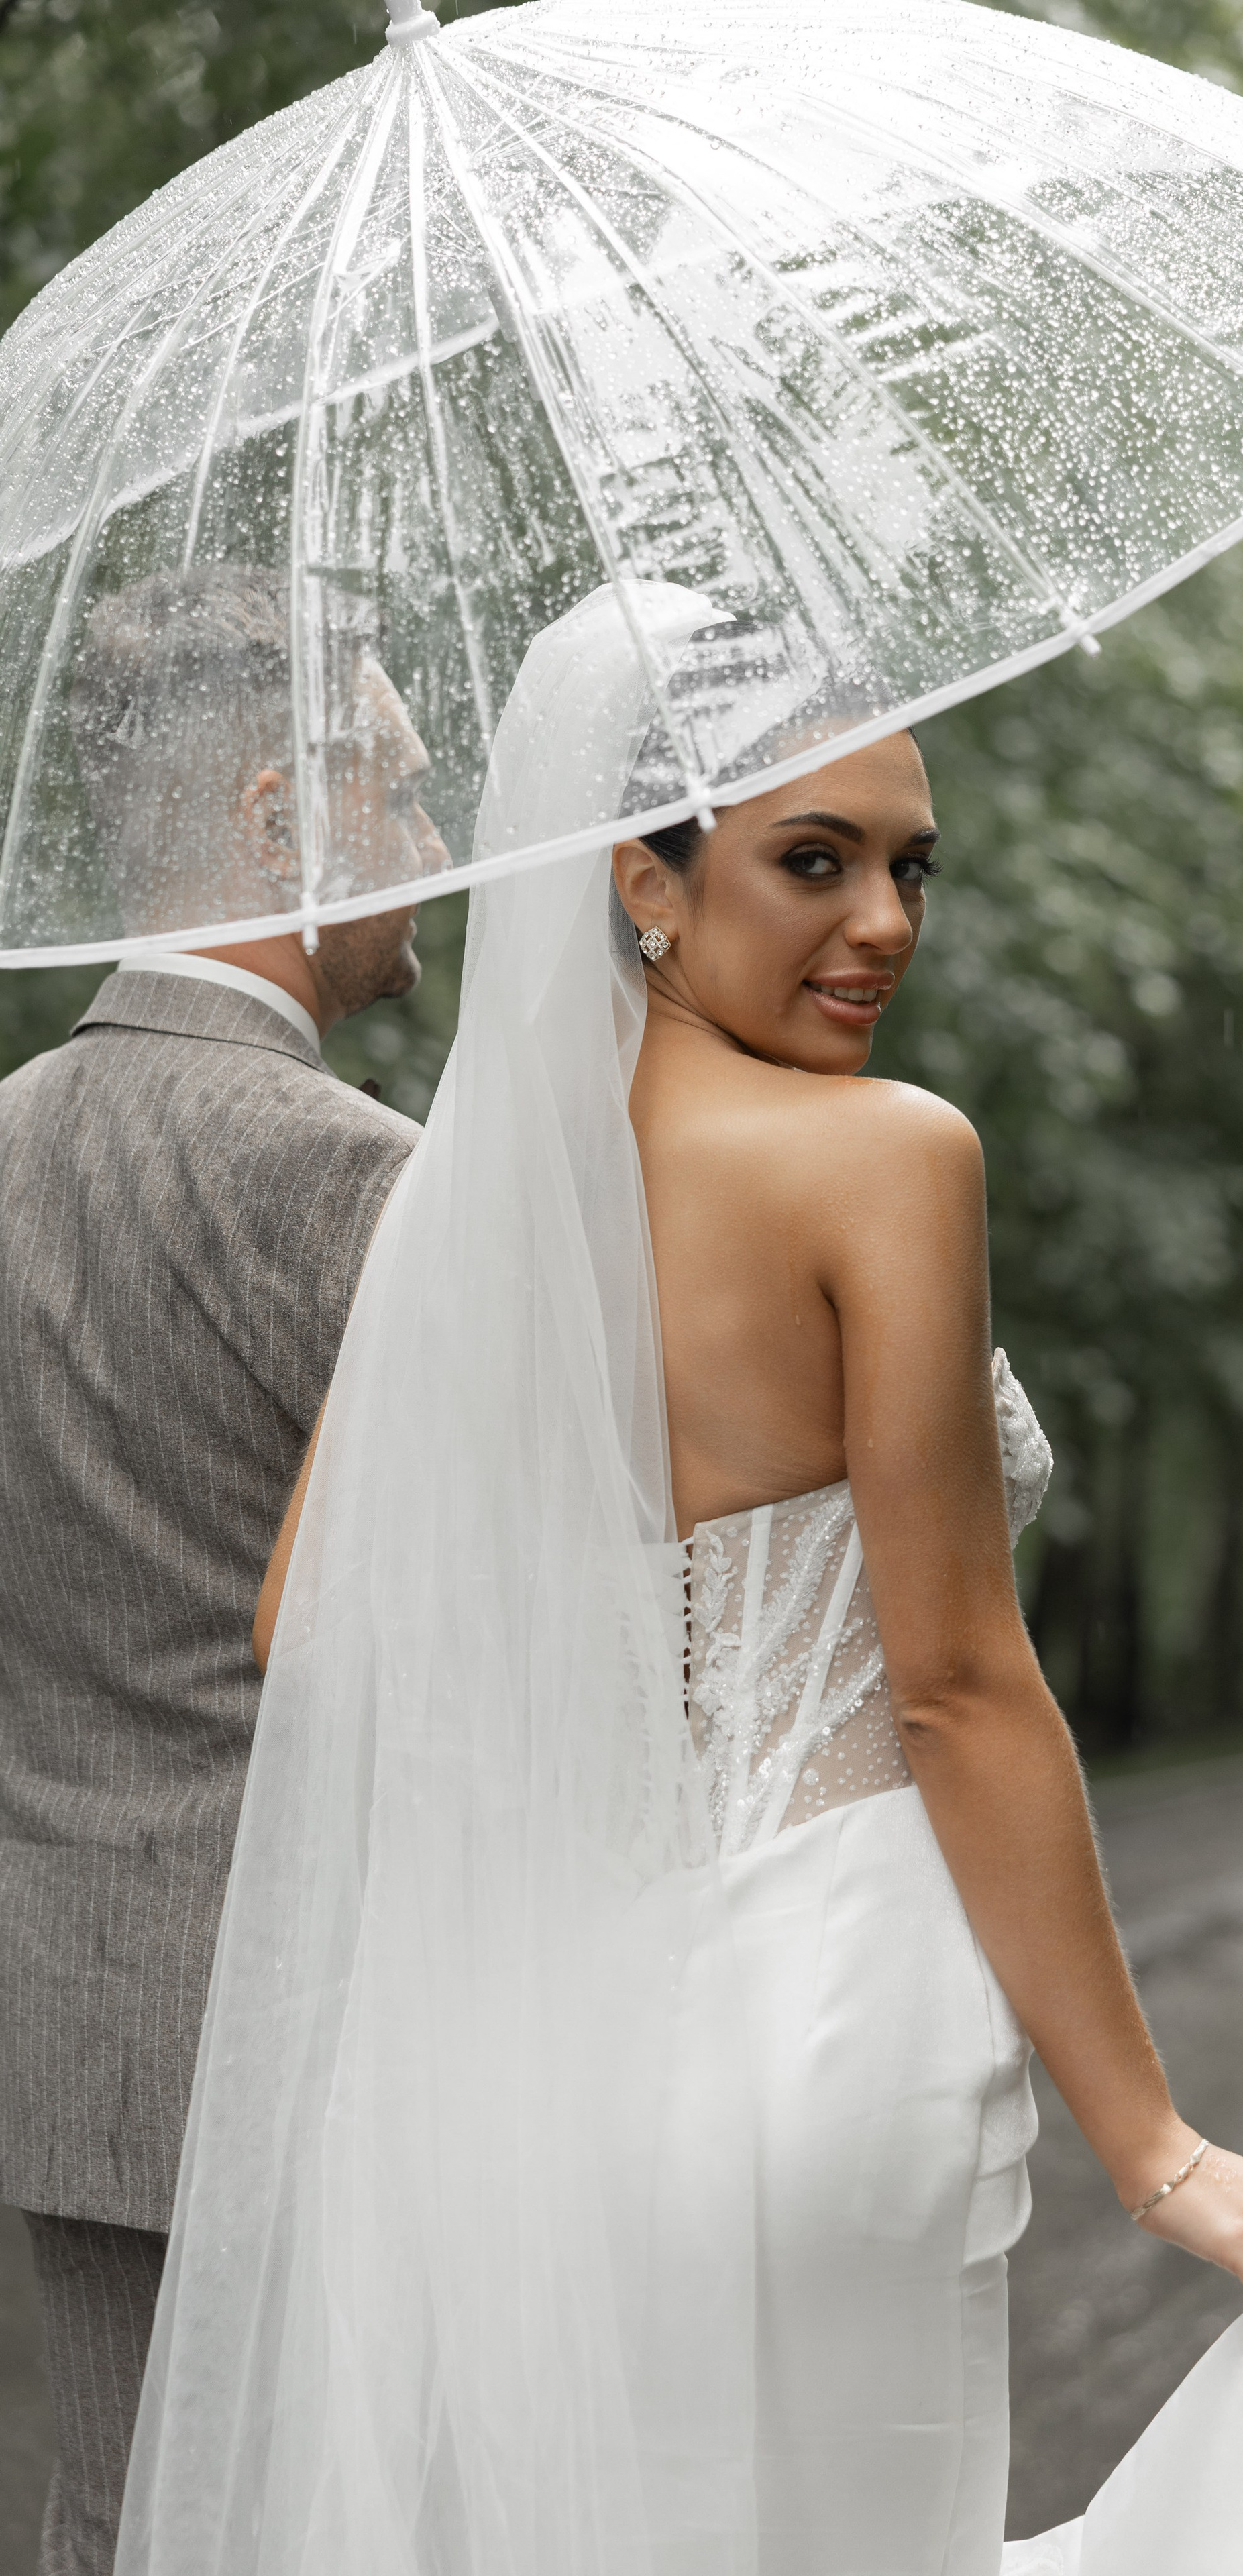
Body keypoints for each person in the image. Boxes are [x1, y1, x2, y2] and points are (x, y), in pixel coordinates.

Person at [118, 586, 1243, 2576]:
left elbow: (308, 1625)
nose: (887, 926)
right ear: (642, 882)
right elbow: (959, 1690)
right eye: (810, 862)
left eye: (913, 866)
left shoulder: (469, 1205)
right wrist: (1159, 2151)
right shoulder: (884, 1161)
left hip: (532, 2064)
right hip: (825, 2028)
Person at [0, 565, 442, 2576]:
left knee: (107, 2529)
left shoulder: (8, 1137)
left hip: (53, 2020)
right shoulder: (343, 1168)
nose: (445, 852)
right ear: (288, 816)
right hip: (311, 2022)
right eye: (416, 799)